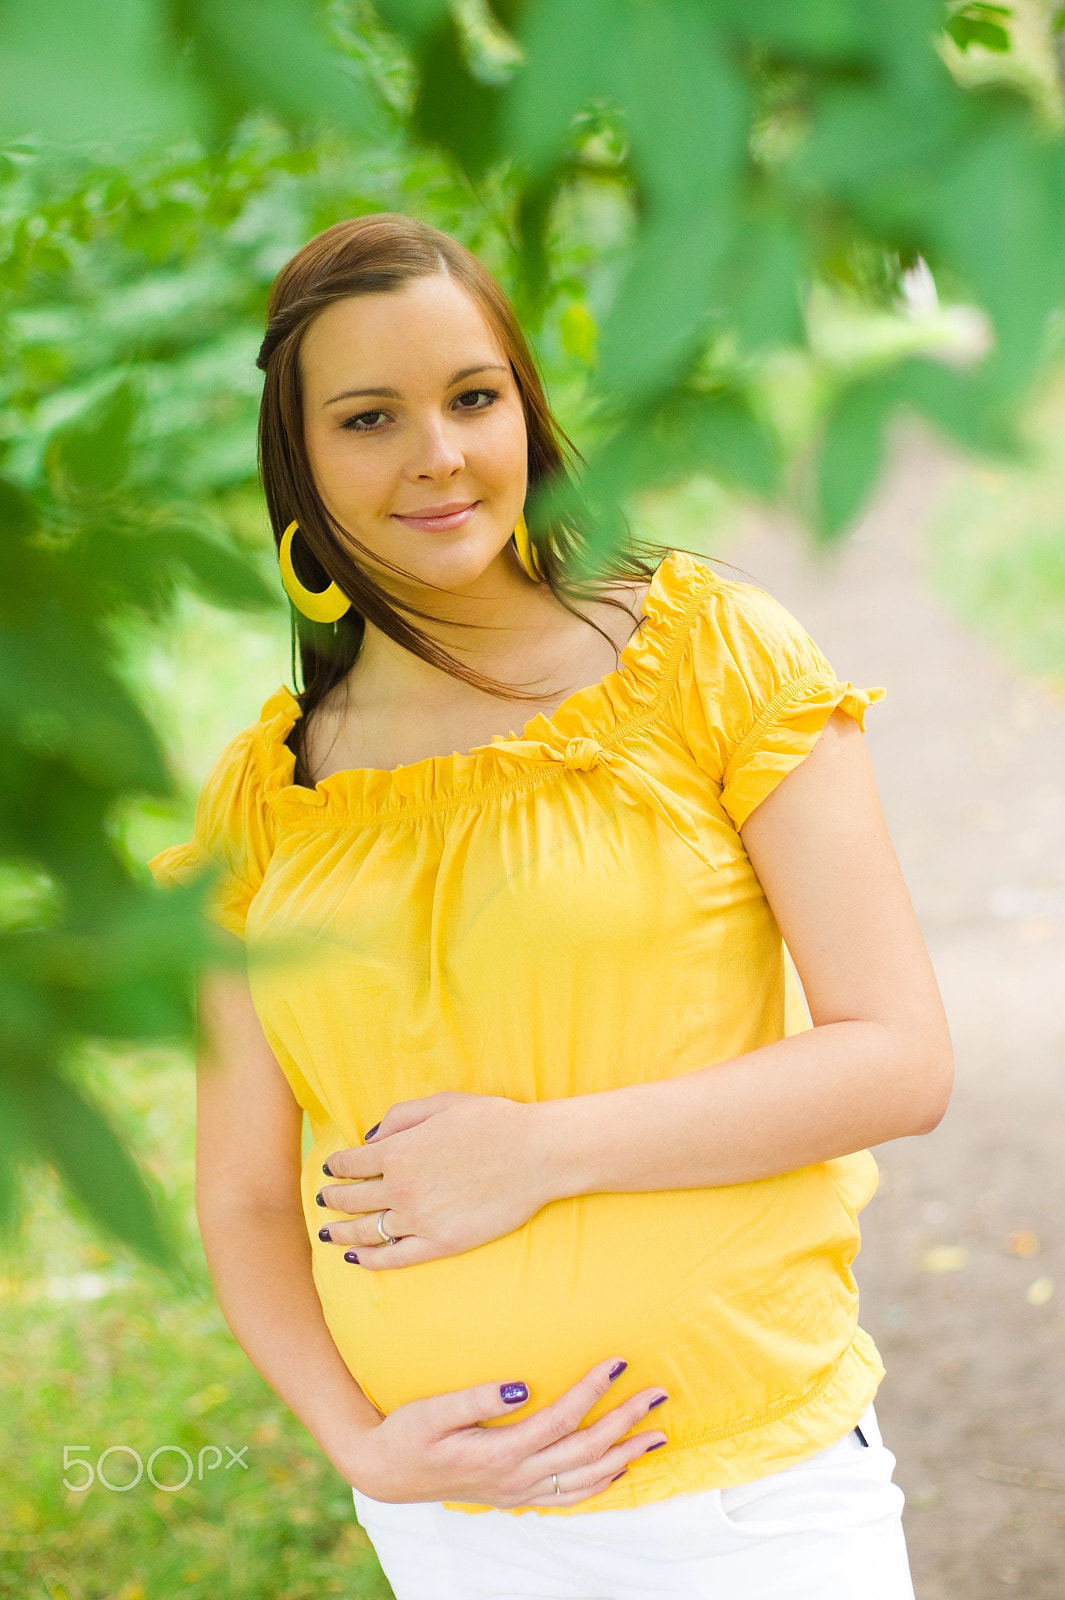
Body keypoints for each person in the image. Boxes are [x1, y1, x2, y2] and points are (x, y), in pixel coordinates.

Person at [148, 214, 953, 1600]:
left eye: (472, 397)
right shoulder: (263, 799)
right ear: (301, 464)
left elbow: (898, 1056)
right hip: (455, 1537)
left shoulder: (702, 653)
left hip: (751, 1510)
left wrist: (543, 1152)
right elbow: (239, 1198)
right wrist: (364, 1447)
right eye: (368, 417)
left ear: (527, 406)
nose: (438, 455)